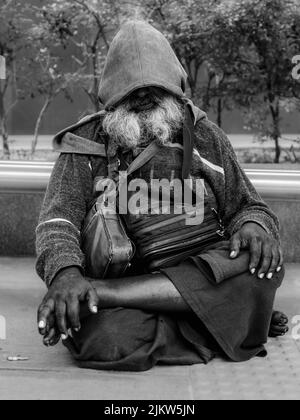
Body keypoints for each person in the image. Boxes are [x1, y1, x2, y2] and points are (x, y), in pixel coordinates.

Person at [36, 21, 288, 372]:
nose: (141, 97)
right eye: (130, 91)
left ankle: (126, 298)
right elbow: (56, 220)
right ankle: (221, 317)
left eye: (153, 88)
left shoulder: (204, 135)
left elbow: (249, 206)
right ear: (109, 95)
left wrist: (254, 226)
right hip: (128, 283)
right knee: (106, 340)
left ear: (176, 87)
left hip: (201, 268)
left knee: (258, 265)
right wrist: (65, 274)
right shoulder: (87, 143)